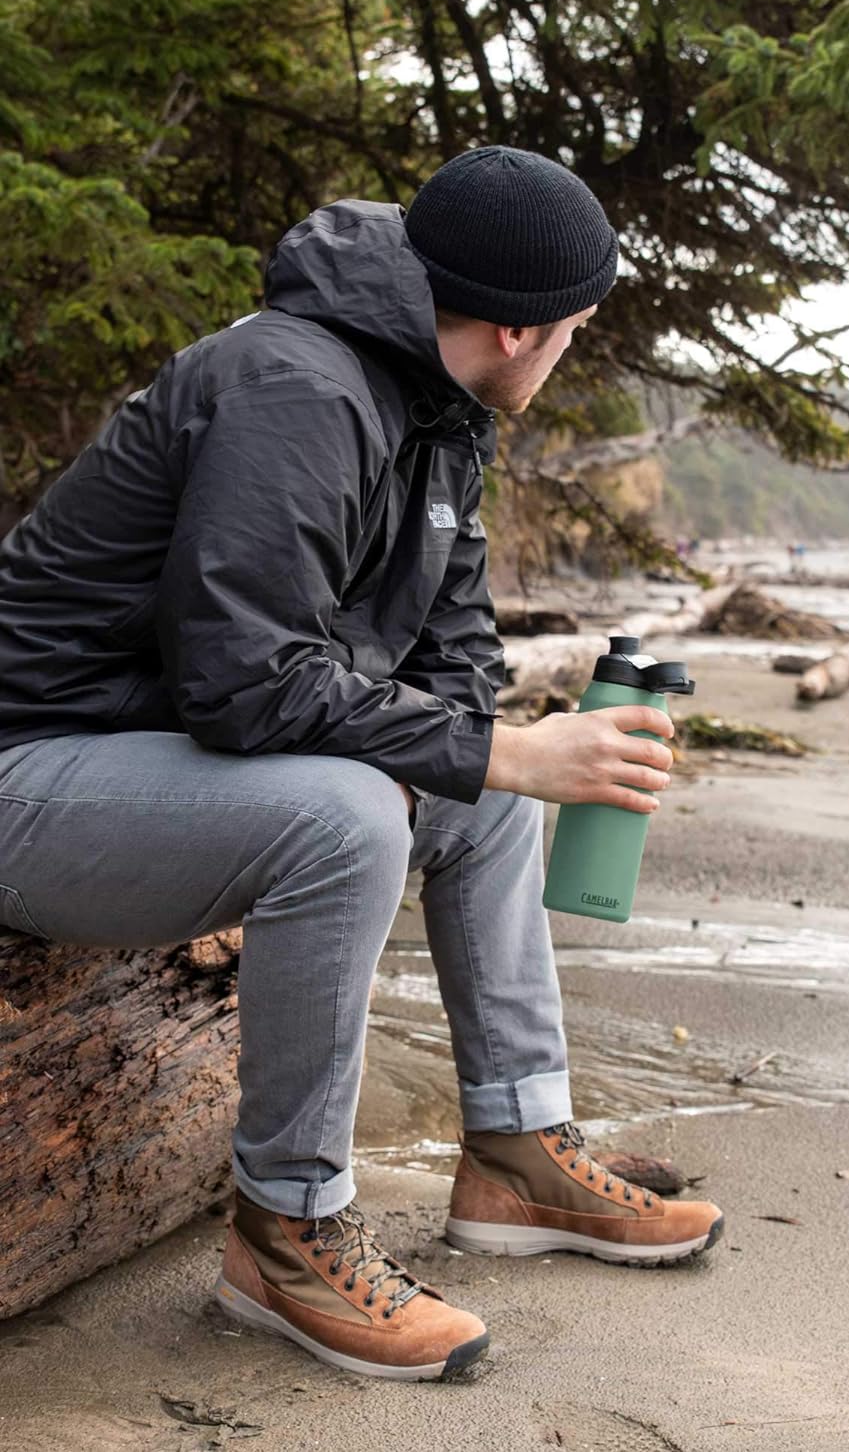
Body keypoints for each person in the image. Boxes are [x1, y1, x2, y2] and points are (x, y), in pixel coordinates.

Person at [0, 147, 722, 1382]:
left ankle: (516, 1155)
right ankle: (286, 1232)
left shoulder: (442, 412)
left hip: (147, 755)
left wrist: (488, 753)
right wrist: (492, 749)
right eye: (576, 330)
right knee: (349, 814)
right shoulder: (296, 387)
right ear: (514, 329)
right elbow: (241, 677)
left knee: (479, 800)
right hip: (34, 769)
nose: (573, 351)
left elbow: (453, 658)